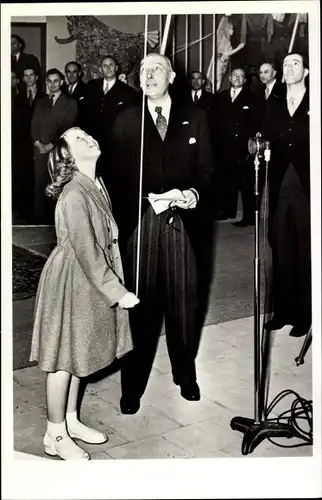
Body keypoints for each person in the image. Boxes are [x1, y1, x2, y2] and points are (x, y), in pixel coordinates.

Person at [108, 53, 214, 415]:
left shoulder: (195, 116)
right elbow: (116, 178)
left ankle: (185, 375)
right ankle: (132, 386)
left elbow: (207, 171)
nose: (149, 74)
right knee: (140, 305)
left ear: (171, 76)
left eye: (156, 69)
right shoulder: (126, 120)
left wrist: (193, 194)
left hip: (183, 223)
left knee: (185, 303)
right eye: (143, 70)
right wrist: (139, 203)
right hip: (142, 224)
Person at [30, 127, 139, 460]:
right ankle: (55, 433)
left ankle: (71, 421)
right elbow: (87, 251)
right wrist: (117, 292)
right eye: (78, 139)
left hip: (85, 279)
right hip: (72, 278)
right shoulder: (75, 193)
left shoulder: (95, 184)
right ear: (69, 157)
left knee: (79, 352)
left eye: (88, 134)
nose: (89, 137)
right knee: (63, 360)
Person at [263, 53, 311, 338]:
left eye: (295, 63)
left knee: (305, 251)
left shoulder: (314, 102)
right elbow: (264, 136)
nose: (289, 67)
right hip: (280, 186)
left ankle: (305, 315)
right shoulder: (274, 104)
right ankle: (283, 311)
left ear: (306, 71)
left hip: (306, 187)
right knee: (280, 250)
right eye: (285, 64)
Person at [31, 68, 78, 224]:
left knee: (58, 184)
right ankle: (39, 219)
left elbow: (67, 127)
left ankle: (57, 220)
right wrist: (38, 144)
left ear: (62, 82)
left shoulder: (70, 103)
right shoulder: (41, 101)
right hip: (39, 150)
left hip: (59, 152)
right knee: (39, 183)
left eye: (56, 80)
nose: (52, 84)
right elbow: (34, 125)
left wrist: (51, 145)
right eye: (49, 81)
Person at [213, 67, 259, 224]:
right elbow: (214, 123)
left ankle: (249, 217)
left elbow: (256, 123)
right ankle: (227, 211)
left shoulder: (253, 98)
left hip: (243, 147)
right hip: (223, 146)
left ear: (245, 81)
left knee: (246, 183)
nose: (238, 78)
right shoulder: (219, 98)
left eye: (241, 76)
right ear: (229, 78)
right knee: (225, 180)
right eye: (235, 75)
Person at [84, 55, 139, 151]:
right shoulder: (91, 86)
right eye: (105, 66)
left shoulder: (127, 91)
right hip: (91, 141)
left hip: (114, 143)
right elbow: (84, 112)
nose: (108, 68)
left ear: (116, 68)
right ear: (101, 69)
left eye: (111, 65)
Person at [13, 68, 45, 222]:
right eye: (25, 76)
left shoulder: (44, 97)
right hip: (23, 144)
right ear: (23, 79)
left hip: (40, 142)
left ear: (36, 77)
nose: (29, 78)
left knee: (39, 177)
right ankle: (24, 209)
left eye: (31, 75)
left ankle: (37, 211)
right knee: (24, 175)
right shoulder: (18, 99)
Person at [62, 61, 87, 127]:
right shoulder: (62, 90)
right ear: (66, 74)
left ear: (79, 73)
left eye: (74, 72)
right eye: (69, 72)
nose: (71, 75)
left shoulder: (87, 89)